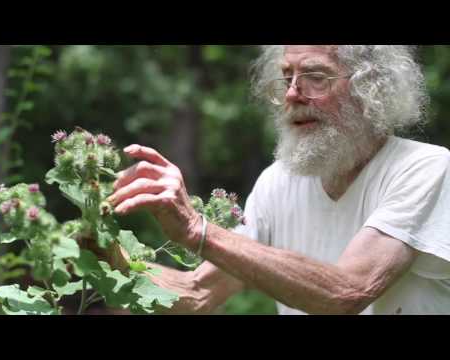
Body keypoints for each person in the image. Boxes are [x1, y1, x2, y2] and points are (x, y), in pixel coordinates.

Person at [106, 45, 450, 315]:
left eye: (315, 76)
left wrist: (198, 230)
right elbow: (197, 295)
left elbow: (347, 293)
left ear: (371, 86)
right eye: (287, 77)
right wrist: (107, 255)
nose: (292, 94)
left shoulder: (425, 168)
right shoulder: (278, 181)